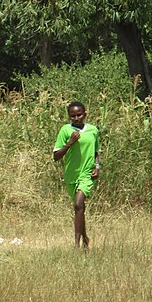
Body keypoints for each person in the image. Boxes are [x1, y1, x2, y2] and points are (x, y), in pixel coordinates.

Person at [53, 101, 100, 249]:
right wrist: (70, 143)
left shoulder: (93, 130)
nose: (76, 118)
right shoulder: (65, 130)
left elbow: (96, 151)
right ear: (69, 117)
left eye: (79, 115)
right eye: (72, 116)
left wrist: (97, 166)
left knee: (78, 204)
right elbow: (56, 156)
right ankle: (86, 239)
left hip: (87, 173)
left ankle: (76, 244)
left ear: (85, 114)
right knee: (80, 209)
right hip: (71, 174)